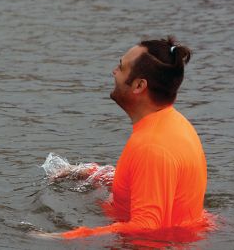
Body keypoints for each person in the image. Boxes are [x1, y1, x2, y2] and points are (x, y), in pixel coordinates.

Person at [34, 36, 208, 239]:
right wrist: (90, 173)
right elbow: (145, 182)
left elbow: (147, 227)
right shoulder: (175, 123)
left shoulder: (152, 147)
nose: (114, 72)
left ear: (139, 86)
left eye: (121, 67)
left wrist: (64, 237)